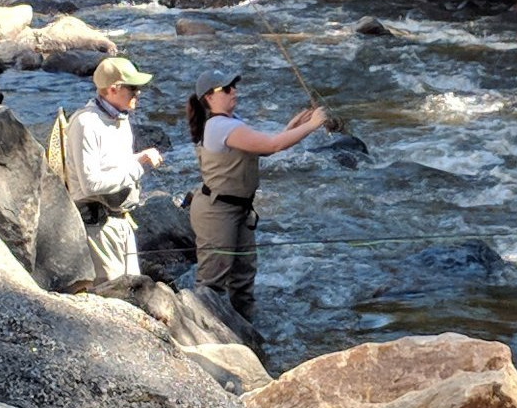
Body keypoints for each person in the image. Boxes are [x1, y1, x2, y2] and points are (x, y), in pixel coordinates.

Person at [187, 68, 327, 322]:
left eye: (233, 86)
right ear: (209, 97)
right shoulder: (219, 126)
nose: (233, 91)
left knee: (242, 279)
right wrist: (314, 125)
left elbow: (263, 147)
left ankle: (245, 331)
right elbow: (272, 145)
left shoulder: (230, 122)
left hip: (237, 209)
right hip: (217, 212)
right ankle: (202, 333)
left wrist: (298, 126)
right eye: (226, 88)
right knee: (212, 282)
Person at [65, 56, 163, 285]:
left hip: (121, 221)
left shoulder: (120, 119)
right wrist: (137, 167)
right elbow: (91, 183)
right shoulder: (85, 124)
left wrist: (139, 158)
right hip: (98, 226)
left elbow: (114, 164)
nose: (138, 93)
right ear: (112, 89)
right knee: (114, 297)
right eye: (133, 88)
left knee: (135, 292)